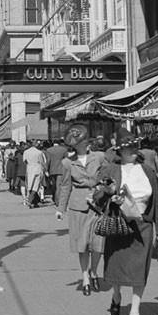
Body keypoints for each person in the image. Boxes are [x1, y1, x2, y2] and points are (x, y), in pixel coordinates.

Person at [96, 127, 158, 315]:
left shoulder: (147, 170)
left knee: (140, 269)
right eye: (129, 148)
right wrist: (109, 194)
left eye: (135, 147)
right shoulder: (110, 169)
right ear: (119, 151)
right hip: (119, 225)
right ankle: (117, 295)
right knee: (117, 267)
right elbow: (96, 198)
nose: (134, 151)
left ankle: (135, 312)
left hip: (143, 225)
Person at [56, 124, 104, 297]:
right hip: (78, 207)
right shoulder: (68, 163)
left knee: (98, 244)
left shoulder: (99, 157)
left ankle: (94, 271)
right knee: (82, 245)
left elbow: (108, 176)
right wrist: (61, 208)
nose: (85, 143)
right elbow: (65, 186)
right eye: (81, 142)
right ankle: (85, 277)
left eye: (85, 140)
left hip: (98, 205)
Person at [23, 140, 46, 208]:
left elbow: (24, 161)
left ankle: (33, 201)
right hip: (37, 169)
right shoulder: (39, 152)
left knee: (29, 186)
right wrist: (45, 170)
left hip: (29, 169)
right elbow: (42, 162)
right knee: (35, 186)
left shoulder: (26, 152)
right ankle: (30, 201)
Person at [45, 138, 67, 206]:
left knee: (53, 186)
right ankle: (58, 201)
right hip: (61, 170)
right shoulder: (64, 150)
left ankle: (54, 198)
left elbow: (48, 161)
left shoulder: (48, 150)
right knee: (59, 186)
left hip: (52, 170)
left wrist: (46, 169)